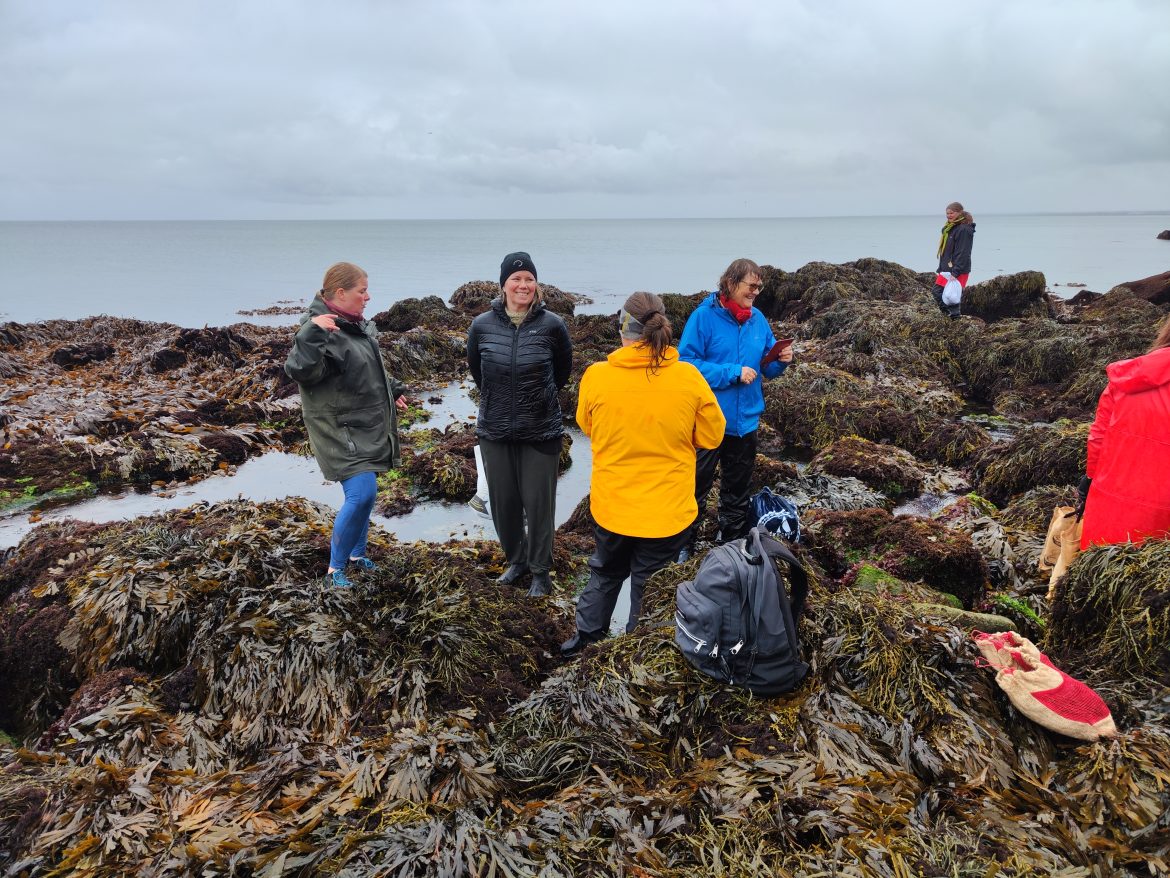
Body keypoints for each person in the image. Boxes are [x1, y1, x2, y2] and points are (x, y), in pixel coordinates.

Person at [562, 292, 725, 655]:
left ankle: (585, 641)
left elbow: (586, 424)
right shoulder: (688, 378)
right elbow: (713, 435)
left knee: (604, 572)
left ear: (624, 330)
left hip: (613, 505)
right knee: (649, 584)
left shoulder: (597, 376)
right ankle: (635, 651)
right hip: (667, 511)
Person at [284, 262, 407, 588]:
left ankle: (356, 557)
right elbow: (299, 371)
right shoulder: (319, 330)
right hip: (338, 428)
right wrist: (311, 333)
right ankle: (334, 571)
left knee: (367, 495)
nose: (368, 297)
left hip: (361, 423)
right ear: (340, 293)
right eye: (361, 290)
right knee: (361, 492)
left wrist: (392, 391)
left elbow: (366, 369)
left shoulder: (353, 325)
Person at [467, 252, 573, 597]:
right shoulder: (481, 325)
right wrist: (501, 401)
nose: (523, 285)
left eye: (529, 279)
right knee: (504, 502)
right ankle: (516, 561)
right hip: (495, 428)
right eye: (516, 279)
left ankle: (541, 571)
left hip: (540, 429)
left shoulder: (553, 325)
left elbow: (561, 373)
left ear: (536, 285)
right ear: (503, 285)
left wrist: (534, 401)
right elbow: (478, 373)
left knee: (538, 503)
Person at [677, 258, 793, 559]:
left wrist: (781, 360)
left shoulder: (758, 320)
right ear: (730, 284)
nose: (756, 292)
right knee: (694, 491)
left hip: (746, 423)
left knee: (737, 494)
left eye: (759, 287)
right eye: (751, 286)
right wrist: (732, 372)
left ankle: (729, 549)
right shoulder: (704, 318)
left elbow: (766, 368)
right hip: (707, 423)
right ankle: (682, 549)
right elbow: (686, 365)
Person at [1078, 316, 1170, 549]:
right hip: (1161, 517)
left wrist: (1088, 480)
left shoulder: (1126, 377)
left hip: (1109, 500)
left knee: (1094, 576)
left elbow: (1097, 437)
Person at [932, 202, 976, 319]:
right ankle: (949, 316)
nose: (949, 215)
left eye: (952, 213)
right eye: (947, 213)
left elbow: (963, 253)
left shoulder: (964, 230)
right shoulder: (950, 228)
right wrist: (941, 268)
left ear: (960, 212)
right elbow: (947, 251)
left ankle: (954, 318)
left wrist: (955, 272)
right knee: (937, 292)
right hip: (946, 269)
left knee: (952, 296)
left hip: (958, 269)